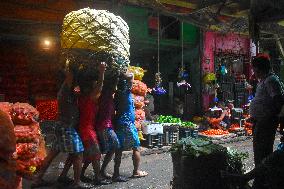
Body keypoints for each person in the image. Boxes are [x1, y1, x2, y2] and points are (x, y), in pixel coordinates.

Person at [32, 66, 85, 189]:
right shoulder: (65, 88)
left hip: (61, 126)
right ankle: (76, 183)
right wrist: (72, 65)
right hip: (66, 127)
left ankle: (37, 179)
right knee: (78, 153)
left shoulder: (68, 91)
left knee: (52, 154)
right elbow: (70, 75)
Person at [249, 54, 284, 189]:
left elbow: (278, 101)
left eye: (254, 69)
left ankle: (261, 182)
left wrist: (267, 117)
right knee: (260, 153)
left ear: (259, 69)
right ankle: (262, 181)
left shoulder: (271, 81)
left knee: (262, 153)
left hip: (265, 123)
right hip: (261, 122)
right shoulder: (264, 80)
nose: (253, 72)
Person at [78, 62, 111, 185]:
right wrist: (102, 72)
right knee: (96, 152)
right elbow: (100, 86)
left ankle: (81, 174)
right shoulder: (90, 97)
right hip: (87, 130)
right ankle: (98, 177)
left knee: (88, 154)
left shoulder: (81, 96)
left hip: (85, 127)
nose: (95, 85)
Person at [113, 72, 148, 180]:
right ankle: (136, 171)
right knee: (136, 147)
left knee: (119, 149)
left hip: (119, 123)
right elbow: (131, 76)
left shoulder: (118, 93)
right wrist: (122, 72)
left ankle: (116, 173)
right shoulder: (125, 92)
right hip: (127, 124)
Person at [95, 76, 126, 182]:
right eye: (113, 85)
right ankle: (108, 174)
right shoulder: (104, 97)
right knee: (116, 146)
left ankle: (102, 171)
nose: (115, 87)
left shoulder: (110, 97)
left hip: (107, 126)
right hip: (104, 126)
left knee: (113, 148)